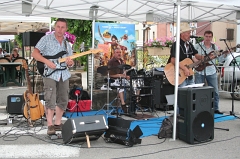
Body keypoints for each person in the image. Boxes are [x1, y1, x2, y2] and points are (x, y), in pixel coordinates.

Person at [32, 18, 74, 135]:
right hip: (50, 73)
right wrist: (47, 62)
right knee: (50, 97)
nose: (60, 29)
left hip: (63, 74)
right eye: (58, 26)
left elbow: (69, 60)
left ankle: (57, 123)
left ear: (66, 29)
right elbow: (35, 53)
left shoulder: (67, 44)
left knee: (63, 99)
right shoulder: (46, 39)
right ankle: (50, 124)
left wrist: (70, 63)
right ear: (55, 27)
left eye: (63, 27)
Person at [193, 30, 227, 114]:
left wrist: (225, 54)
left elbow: (219, 59)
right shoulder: (197, 46)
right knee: (198, 90)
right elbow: (192, 56)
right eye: (206, 36)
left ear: (212, 37)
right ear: (204, 36)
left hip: (211, 71)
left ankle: (215, 108)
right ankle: (197, 108)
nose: (208, 38)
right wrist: (197, 62)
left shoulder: (215, 48)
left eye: (209, 37)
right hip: (199, 71)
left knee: (215, 90)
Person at [168, 23, 205, 87]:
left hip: (189, 75)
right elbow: (173, 60)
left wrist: (206, 57)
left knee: (192, 94)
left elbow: (196, 55)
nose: (189, 35)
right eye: (188, 33)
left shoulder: (189, 45)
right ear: (182, 34)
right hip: (179, 75)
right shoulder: (176, 44)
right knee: (183, 95)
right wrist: (184, 68)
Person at [107, 48, 130, 113]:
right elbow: (110, 75)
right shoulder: (111, 62)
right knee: (121, 86)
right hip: (113, 80)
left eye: (120, 52)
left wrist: (126, 76)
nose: (119, 54)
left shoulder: (122, 61)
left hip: (122, 79)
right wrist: (120, 75)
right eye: (117, 52)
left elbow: (124, 72)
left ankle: (135, 102)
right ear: (114, 53)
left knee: (134, 85)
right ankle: (123, 104)